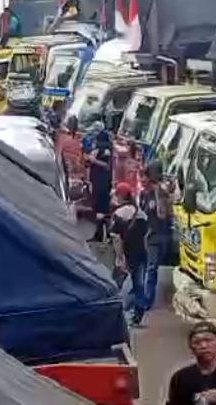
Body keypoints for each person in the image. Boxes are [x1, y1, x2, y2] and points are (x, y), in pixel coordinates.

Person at [109, 182, 150, 327]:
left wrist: (120, 257)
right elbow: (145, 236)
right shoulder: (141, 214)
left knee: (116, 285)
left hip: (127, 254)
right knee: (139, 285)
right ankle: (138, 314)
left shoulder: (118, 214)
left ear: (120, 196)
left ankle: (115, 313)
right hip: (141, 254)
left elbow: (116, 239)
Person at [140, 160, 174, 308]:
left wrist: (160, 194)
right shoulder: (144, 195)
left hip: (162, 235)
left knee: (152, 267)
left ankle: (147, 296)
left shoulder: (162, 193)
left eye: (144, 177)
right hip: (150, 236)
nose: (142, 180)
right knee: (151, 267)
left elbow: (162, 214)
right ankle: (147, 299)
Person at [87, 128, 114, 242]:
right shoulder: (100, 149)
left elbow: (107, 166)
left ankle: (105, 235)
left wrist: (94, 160)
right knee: (99, 210)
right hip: (98, 183)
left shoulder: (106, 150)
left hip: (102, 185)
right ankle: (101, 234)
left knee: (101, 210)